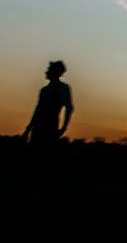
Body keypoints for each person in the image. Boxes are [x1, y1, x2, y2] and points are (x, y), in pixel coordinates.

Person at [22, 60, 74, 205]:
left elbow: (69, 108)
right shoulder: (44, 90)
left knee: (48, 163)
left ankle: (48, 196)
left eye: (49, 69)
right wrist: (28, 129)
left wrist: (63, 128)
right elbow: (37, 111)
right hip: (39, 129)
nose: (46, 71)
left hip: (50, 129)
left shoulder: (63, 88)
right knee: (35, 163)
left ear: (55, 71)